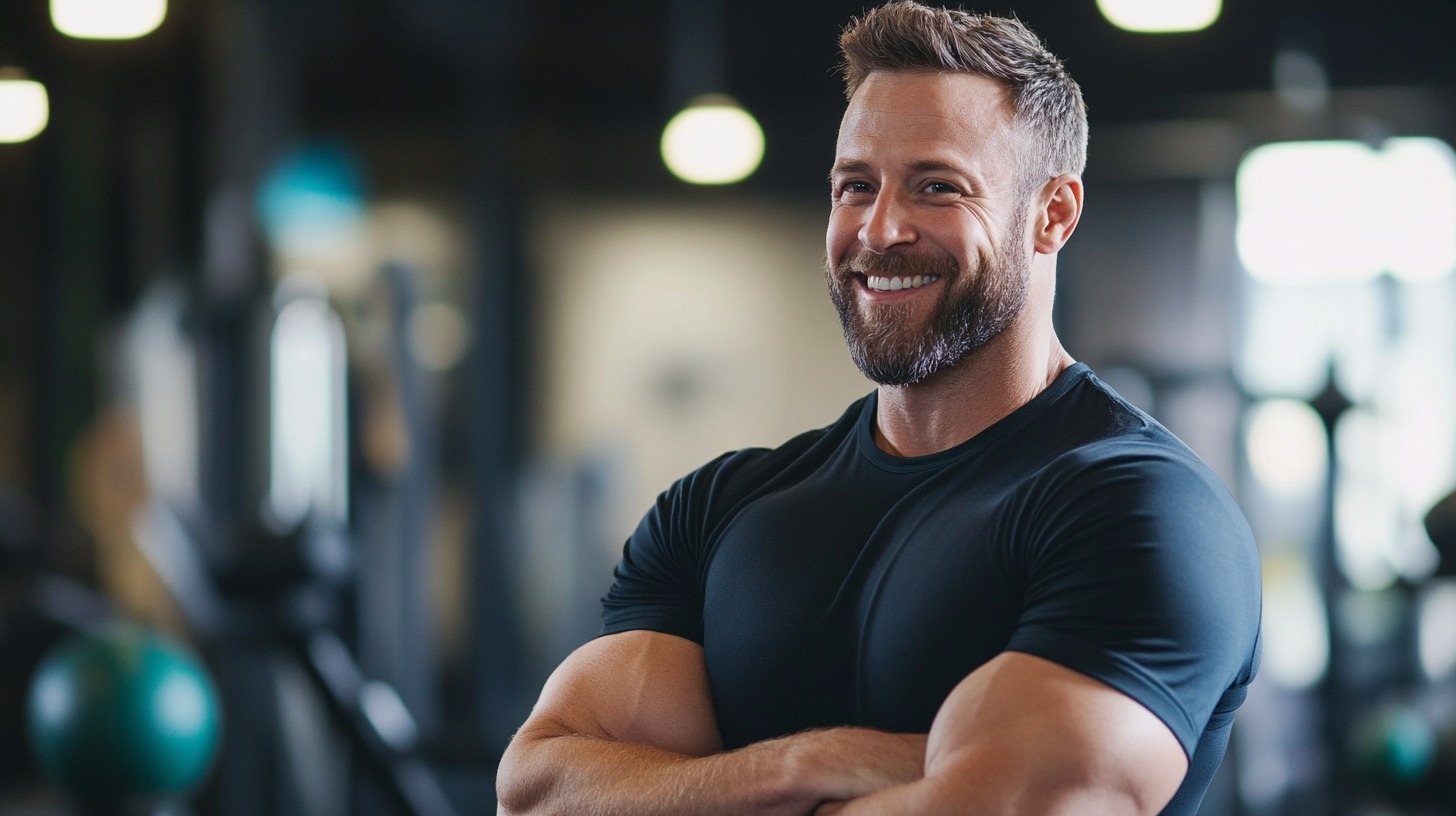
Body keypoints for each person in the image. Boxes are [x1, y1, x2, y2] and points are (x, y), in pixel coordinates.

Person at [496, 2, 1262, 814]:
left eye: (937, 187)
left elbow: (1014, 806)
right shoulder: (718, 509)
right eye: (855, 186)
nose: (880, 227)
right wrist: (807, 763)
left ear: (1053, 215)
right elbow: (538, 793)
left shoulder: (1142, 510)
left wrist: (688, 790)